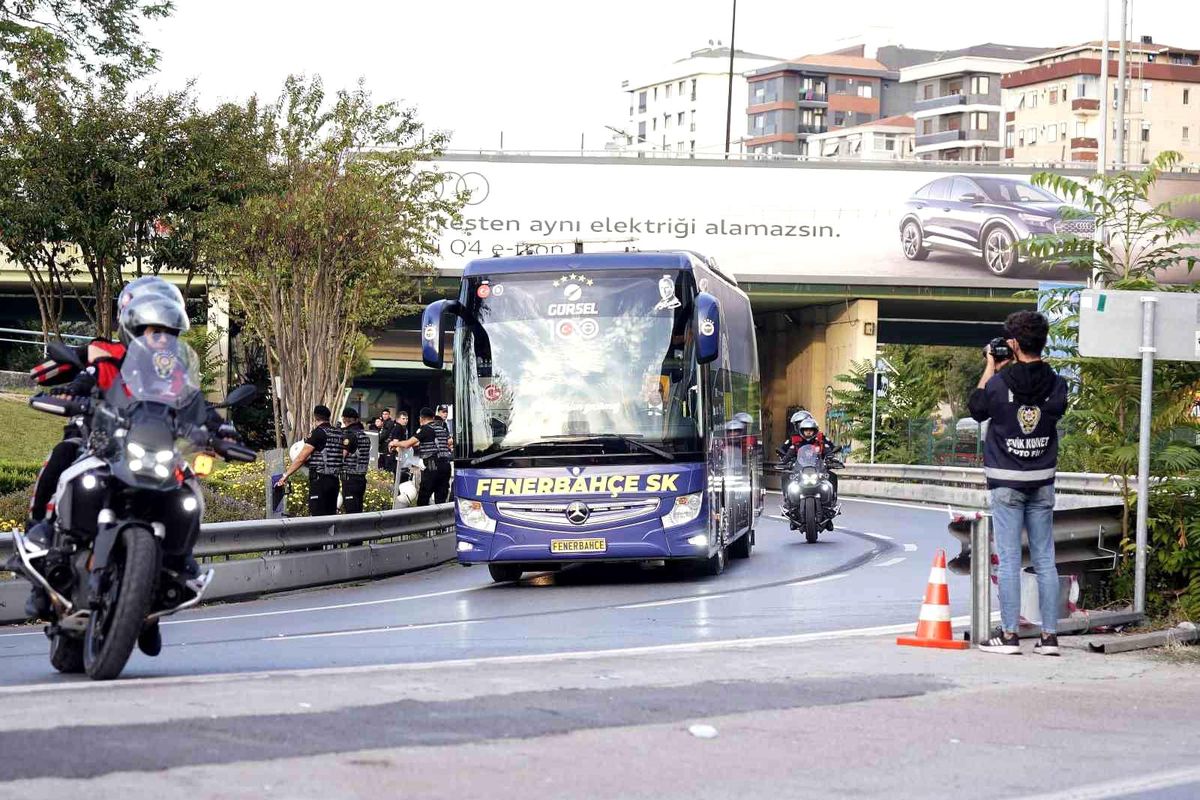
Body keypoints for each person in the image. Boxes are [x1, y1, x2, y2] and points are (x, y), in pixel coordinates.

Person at [23, 280, 188, 619]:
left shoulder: (173, 371)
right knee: (61, 456)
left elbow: (193, 405)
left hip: (148, 447)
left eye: (164, 330)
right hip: (94, 438)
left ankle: (174, 567)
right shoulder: (104, 352)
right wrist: (76, 374)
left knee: (185, 487)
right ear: (130, 322)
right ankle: (38, 557)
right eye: (150, 328)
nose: (157, 336)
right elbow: (43, 374)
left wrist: (217, 429)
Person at [969, 311, 1068, 657]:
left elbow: (977, 408)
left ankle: (1010, 636)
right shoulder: (1057, 383)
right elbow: (1055, 411)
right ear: (1042, 342)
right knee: (1045, 559)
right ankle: (1050, 638)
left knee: (1009, 559)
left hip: (1006, 481)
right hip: (1042, 480)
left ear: (1012, 343)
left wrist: (991, 366)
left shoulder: (999, 382)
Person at [276, 405, 342, 517]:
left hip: (320, 481)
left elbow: (301, 458)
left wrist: (286, 475)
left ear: (315, 418)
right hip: (334, 481)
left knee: (317, 516)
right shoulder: (338, 433)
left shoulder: (317, 433)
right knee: (330, 517)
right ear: (328, 417)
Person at [392, 407, 451, 506]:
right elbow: (449, 441)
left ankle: (421, 519)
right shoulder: (441, 429)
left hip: (433, 466)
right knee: (440, 500)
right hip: (446, 466)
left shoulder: (426, 429)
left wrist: (394, 444)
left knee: (423, 498)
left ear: (421, 418)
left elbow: (407, 444)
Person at [338, 408, 372, 514]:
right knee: (358, 510)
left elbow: (342, 456)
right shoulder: (364, 436)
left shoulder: (350, 435)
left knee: (351, 511)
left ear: (344, 419)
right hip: (361, 478)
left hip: (350, 479)